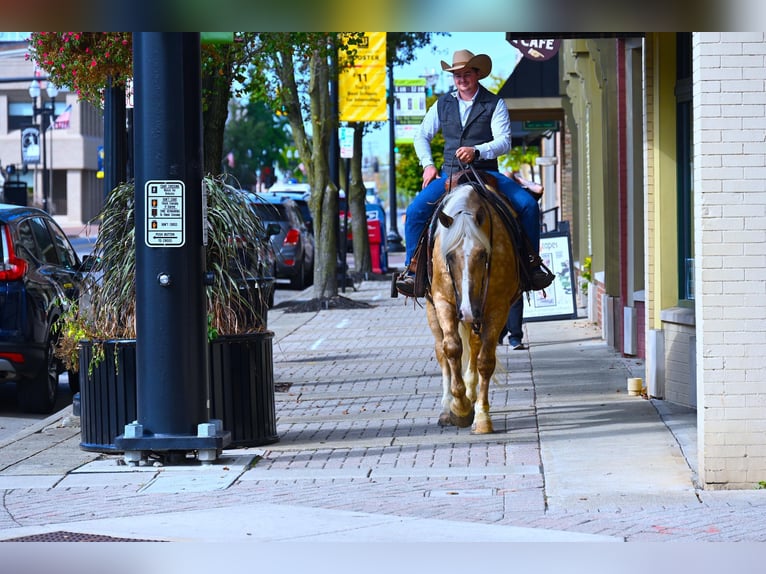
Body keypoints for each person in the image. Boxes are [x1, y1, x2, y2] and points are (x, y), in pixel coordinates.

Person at [395, 49, 551, 297]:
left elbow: (504, 141)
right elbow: (421, 135)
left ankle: (532, 265)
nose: (461, 79)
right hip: (450, 175)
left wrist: (477, 151)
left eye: (466, 73)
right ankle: (413, 271)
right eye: (457, 74)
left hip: (486, 173)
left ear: (477, 74)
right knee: (414, 211)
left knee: (528, 206)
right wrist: (428, 164)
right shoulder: (442, 104)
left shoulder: (494, 103)